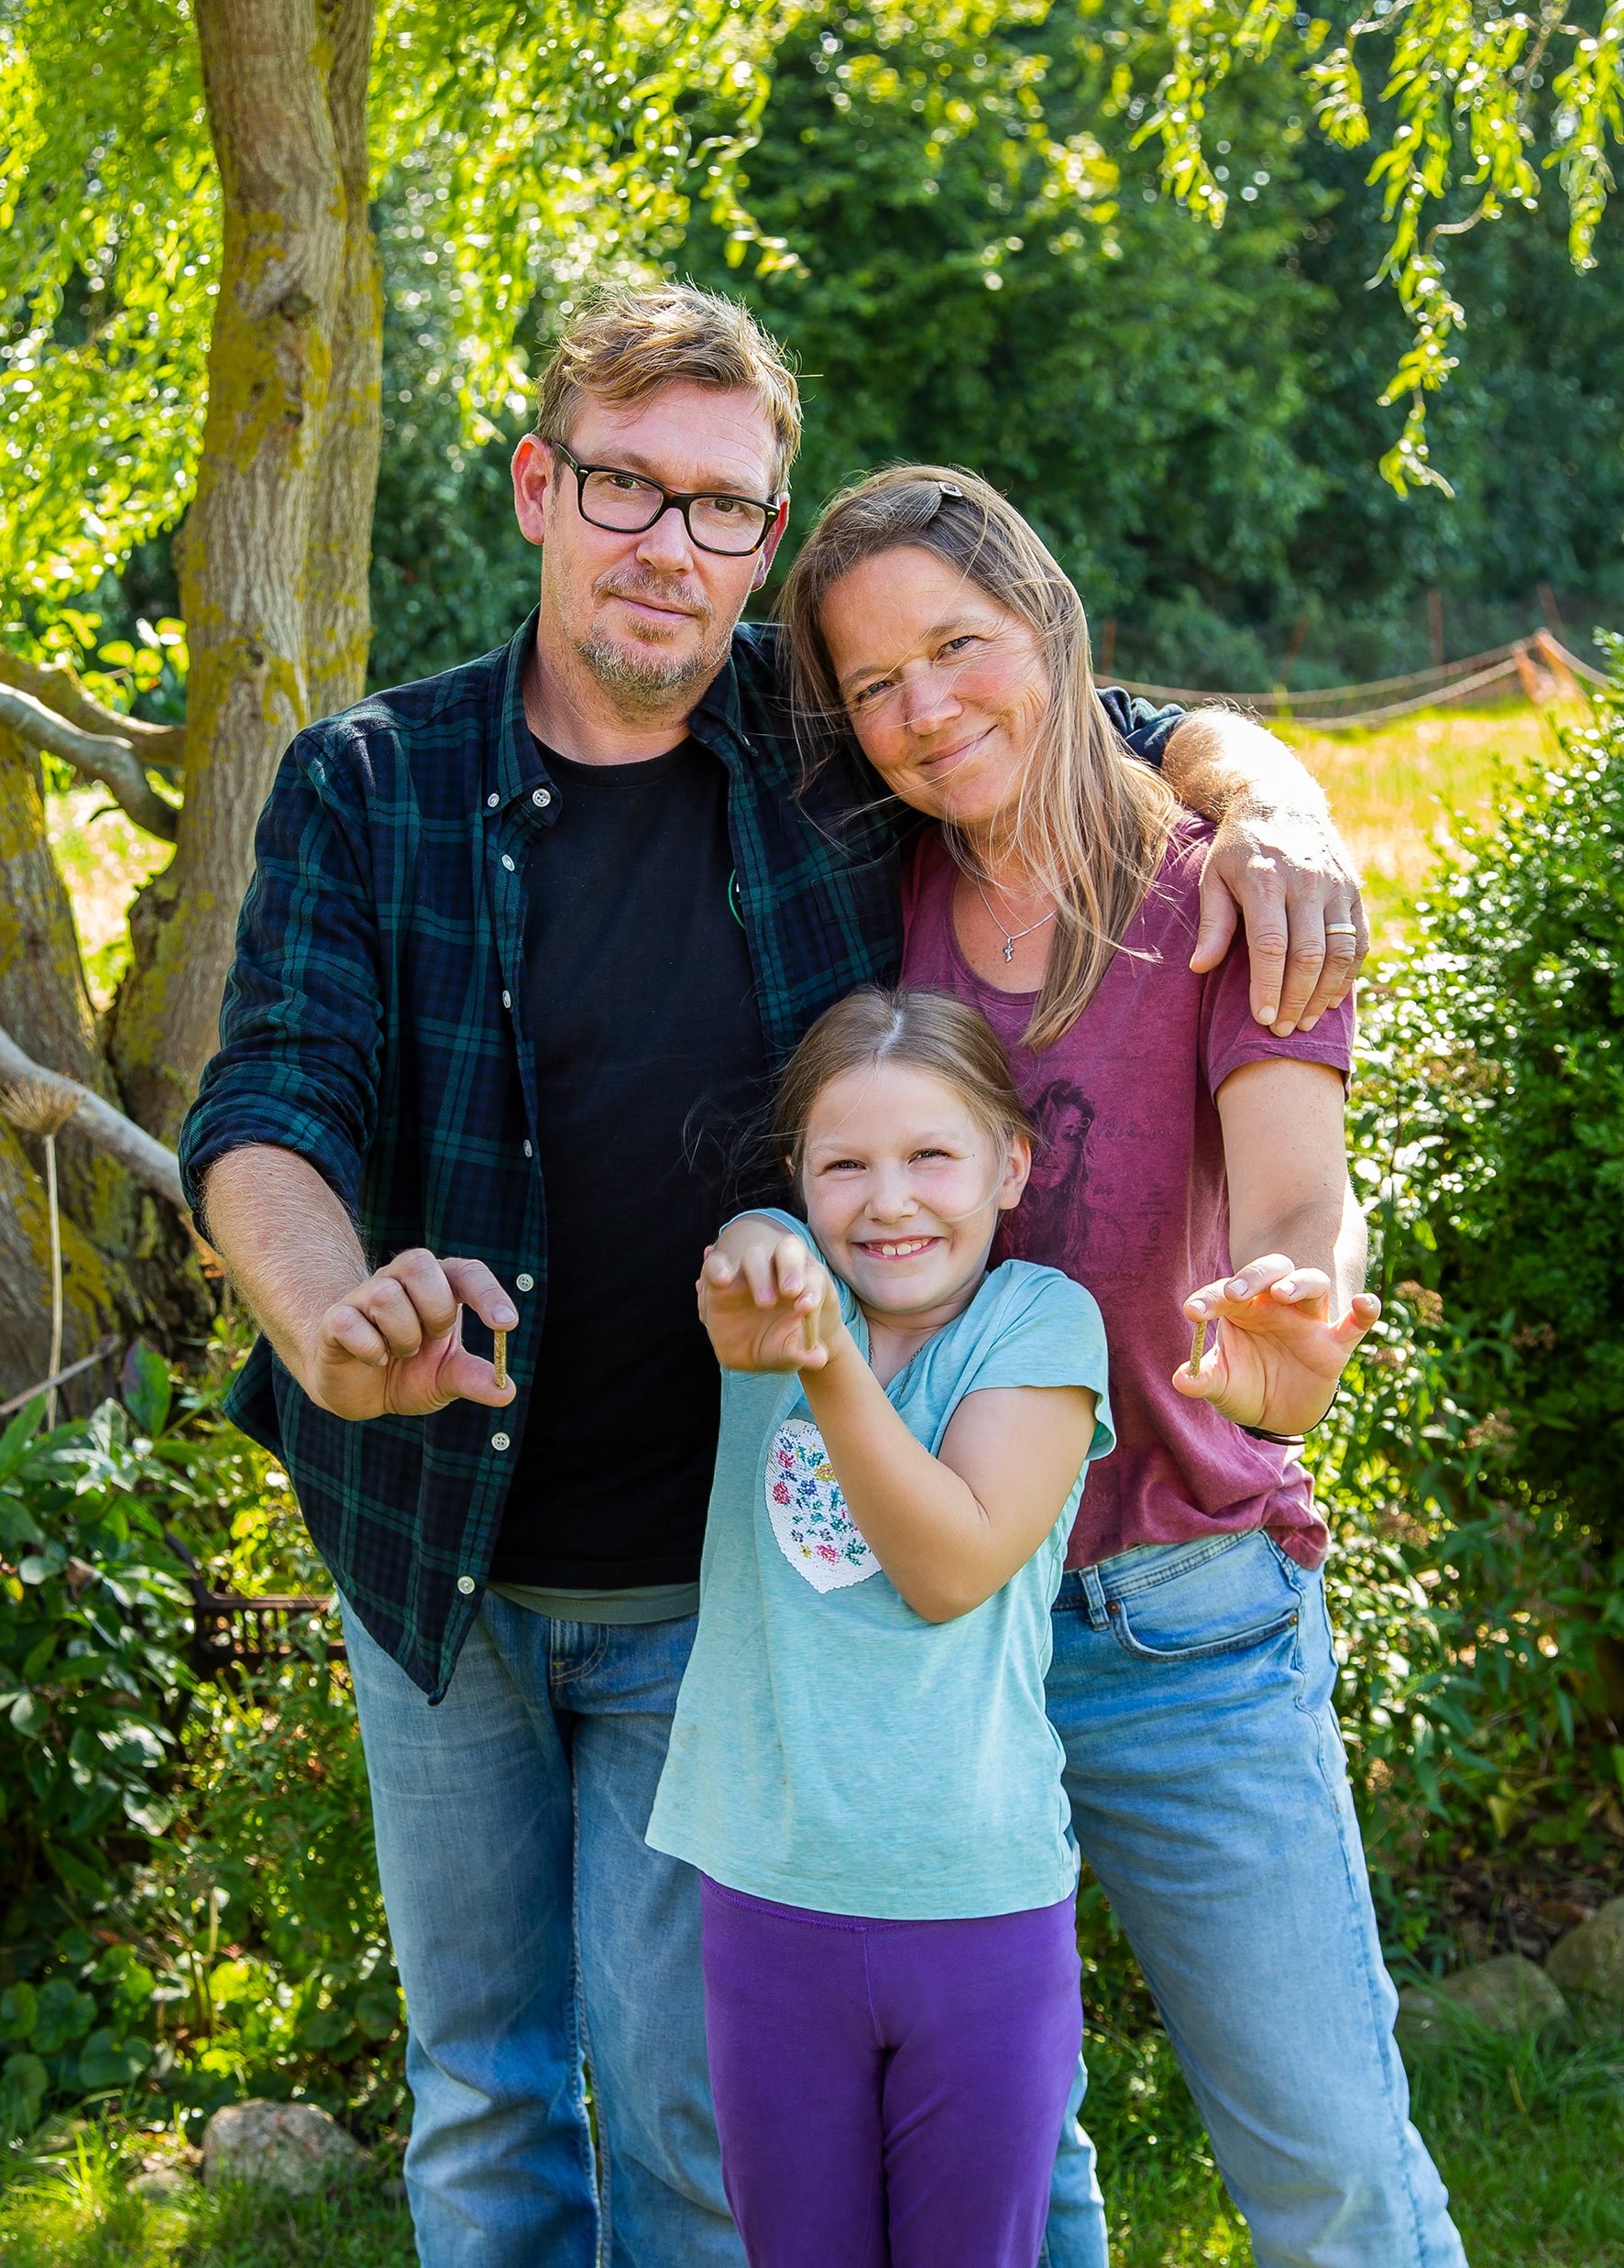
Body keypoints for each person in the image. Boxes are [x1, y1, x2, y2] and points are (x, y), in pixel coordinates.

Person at [177, 283, 1370, 2268]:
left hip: (718, 1579)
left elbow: (1065, 706)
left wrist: (1267, 786)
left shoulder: (815, 744)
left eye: (723, 506)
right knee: (482, 2100)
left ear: (765, 534)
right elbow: (271, 1095)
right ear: (539, 487)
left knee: (694, 2130)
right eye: (626, 487)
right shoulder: (368, 783)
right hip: (433, 1543)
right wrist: (318, 1310)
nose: (672, 543)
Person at [779, 464, 1468, 2268]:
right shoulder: (874, 896)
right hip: (944, 1633)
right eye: (875, 684)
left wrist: (1292, 1327)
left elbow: (1300, 1200)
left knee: (1328, 2170)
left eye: (959, 646)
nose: (928, 710)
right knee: (1005, 2178)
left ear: (1051, 622)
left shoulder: (1233, 891)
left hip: (1182, 1623)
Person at [647, 986, 1111, 2268]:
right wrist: (757, 1251)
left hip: (978, 1909)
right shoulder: (786, 1296)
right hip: (772, 1902)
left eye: (932, 1157)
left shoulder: (1039, 1324)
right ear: (801, 1177)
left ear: (1010, 1165)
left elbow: (950, 1568)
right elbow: (751, 1247)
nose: (890, 1201)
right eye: (843, 1166)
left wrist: (826, 1364)